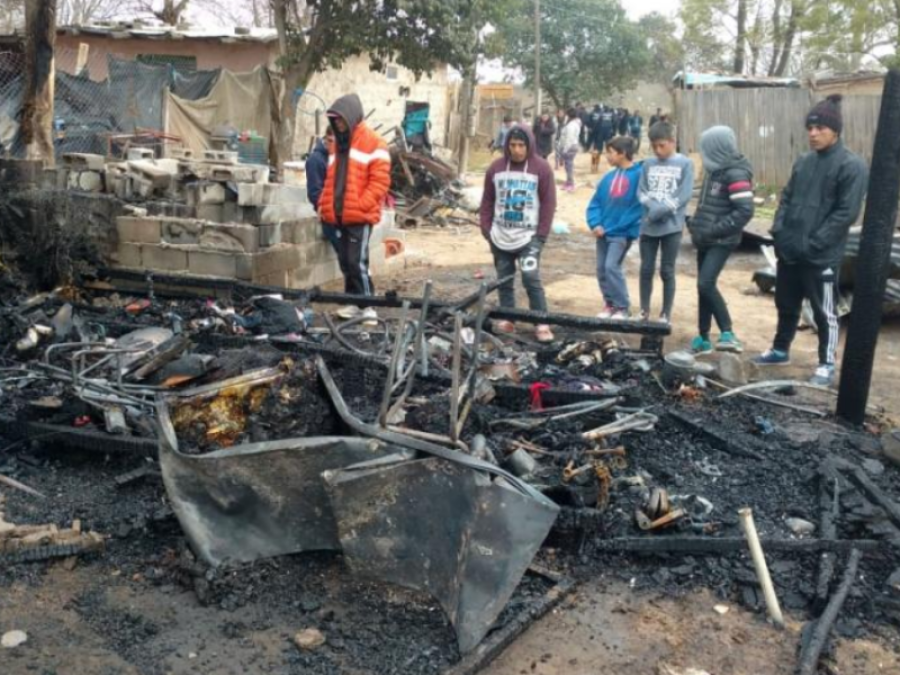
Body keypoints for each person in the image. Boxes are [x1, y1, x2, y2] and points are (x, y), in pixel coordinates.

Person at [752, 94, 868, 386]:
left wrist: (815, 243)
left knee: (824, 311)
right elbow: (787, 198)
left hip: (821, 255)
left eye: (820, 129)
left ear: (836, 131)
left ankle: (826, 364)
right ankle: (780, 350)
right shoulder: (803, 161)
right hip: (790, 250)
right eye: (810, 128)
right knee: (786, 303)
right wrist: (779, 232)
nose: (813, 134)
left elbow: (846, 214)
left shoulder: (851, 166)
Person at [479, 125, 557, 343]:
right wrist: (486, 229)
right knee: (504, 279)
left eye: (521, 145)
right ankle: (509, 317)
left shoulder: (541, 168)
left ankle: (541, 321)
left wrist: (541, 235)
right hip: (500, 235)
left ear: (529, 145)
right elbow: (487, 200)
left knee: (531, 278)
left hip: (529, 237)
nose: (516, 150)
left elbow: (549, 203)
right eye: (512, 145)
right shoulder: (496, 168)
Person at [318, 93, 391, 309]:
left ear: (350, 116)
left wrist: (362, 204)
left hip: (359, 215)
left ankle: (367, 306)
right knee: (345, 263)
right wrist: (325, 205)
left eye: (340, 119)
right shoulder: (337, 145)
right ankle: (352, 301)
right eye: (335, 120)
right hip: (338, 214)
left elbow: (380, 182)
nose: (338, 123)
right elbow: (330, 179)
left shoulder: (375, 143)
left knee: (356, 262)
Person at [687, 126, 755, 355]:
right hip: (705, 238)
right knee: (702, 288)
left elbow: (744, 210)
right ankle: (703, 337)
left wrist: (714, 230)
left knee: (705, 283)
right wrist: (695, 225)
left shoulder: (735, 173)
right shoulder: (714, 171)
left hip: (722, 240)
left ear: (717, 148)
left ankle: (728, 333)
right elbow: (707, 204)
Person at [638, 121, 694, 323]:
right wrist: (651, 208)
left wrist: (661, 209)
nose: (658, 150)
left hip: (672, 227)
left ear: (672, 142)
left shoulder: (685, 164)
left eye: (662, 145)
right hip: (648, 226)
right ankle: (644, 310)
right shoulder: (648, 164)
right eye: (654, 146)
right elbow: (641, 191)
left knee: (667, 270)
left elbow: (684, 194)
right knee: (646, 269)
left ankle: (665, 313)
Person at [587, 136, 643, 320]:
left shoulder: (638, 176)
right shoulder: (608, 178)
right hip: (602, 232)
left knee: (611, 266)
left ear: (623, 153)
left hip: (621, 234)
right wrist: (595, 223)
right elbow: (595, 203)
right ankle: (609, 303)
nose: (606, 156)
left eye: (610, 153)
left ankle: (622, 307)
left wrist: (617, 227)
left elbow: (638, 208)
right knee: (601, 269)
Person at [305, 127, 340, 254]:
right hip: (328, 214)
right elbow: (314, 193)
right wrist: (328, 207)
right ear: (328, 140)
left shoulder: (337, 157)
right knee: (347, 254)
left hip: (342, 210)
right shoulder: (316, 160)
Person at [558, 108, 582, 192]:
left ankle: (571, 183)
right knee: (568, 166)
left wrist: (565, 150)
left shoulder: (571, 125)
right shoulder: (574, 123)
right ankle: (568, 182)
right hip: (572, 146)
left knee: (569, 166)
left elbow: (569, 139)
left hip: (570, 147)